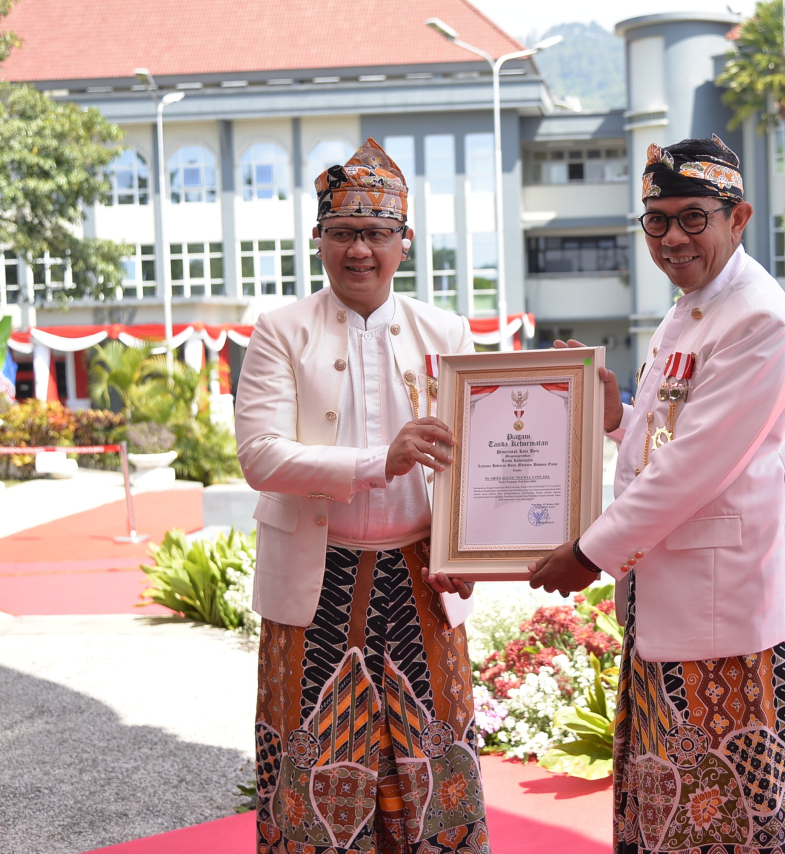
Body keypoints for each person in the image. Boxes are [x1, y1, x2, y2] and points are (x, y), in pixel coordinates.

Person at [529, 135, 785, 854]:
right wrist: (618, 418)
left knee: (733, 822)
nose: (673, 237)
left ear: (738, 217)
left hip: (730, 623)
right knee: (670, 820)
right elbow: (672, 445)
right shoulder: (688, 309)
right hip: (672, 605)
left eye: (694, 217)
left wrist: (587, 554)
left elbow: (693, 468)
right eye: (656, 220)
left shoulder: (758, 318)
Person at [236, 138, 489, 854]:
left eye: (376, 234)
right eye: (343, 233)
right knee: (314, 769)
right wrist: (383, 460)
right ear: (318, 240)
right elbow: (260, 456)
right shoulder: (281, 332)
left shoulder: (446, 332)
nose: (359, 251)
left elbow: (473, 466)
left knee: (433, 772)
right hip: (320, 582)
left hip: (422, 577)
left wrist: (470, 542)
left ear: (403, 243)